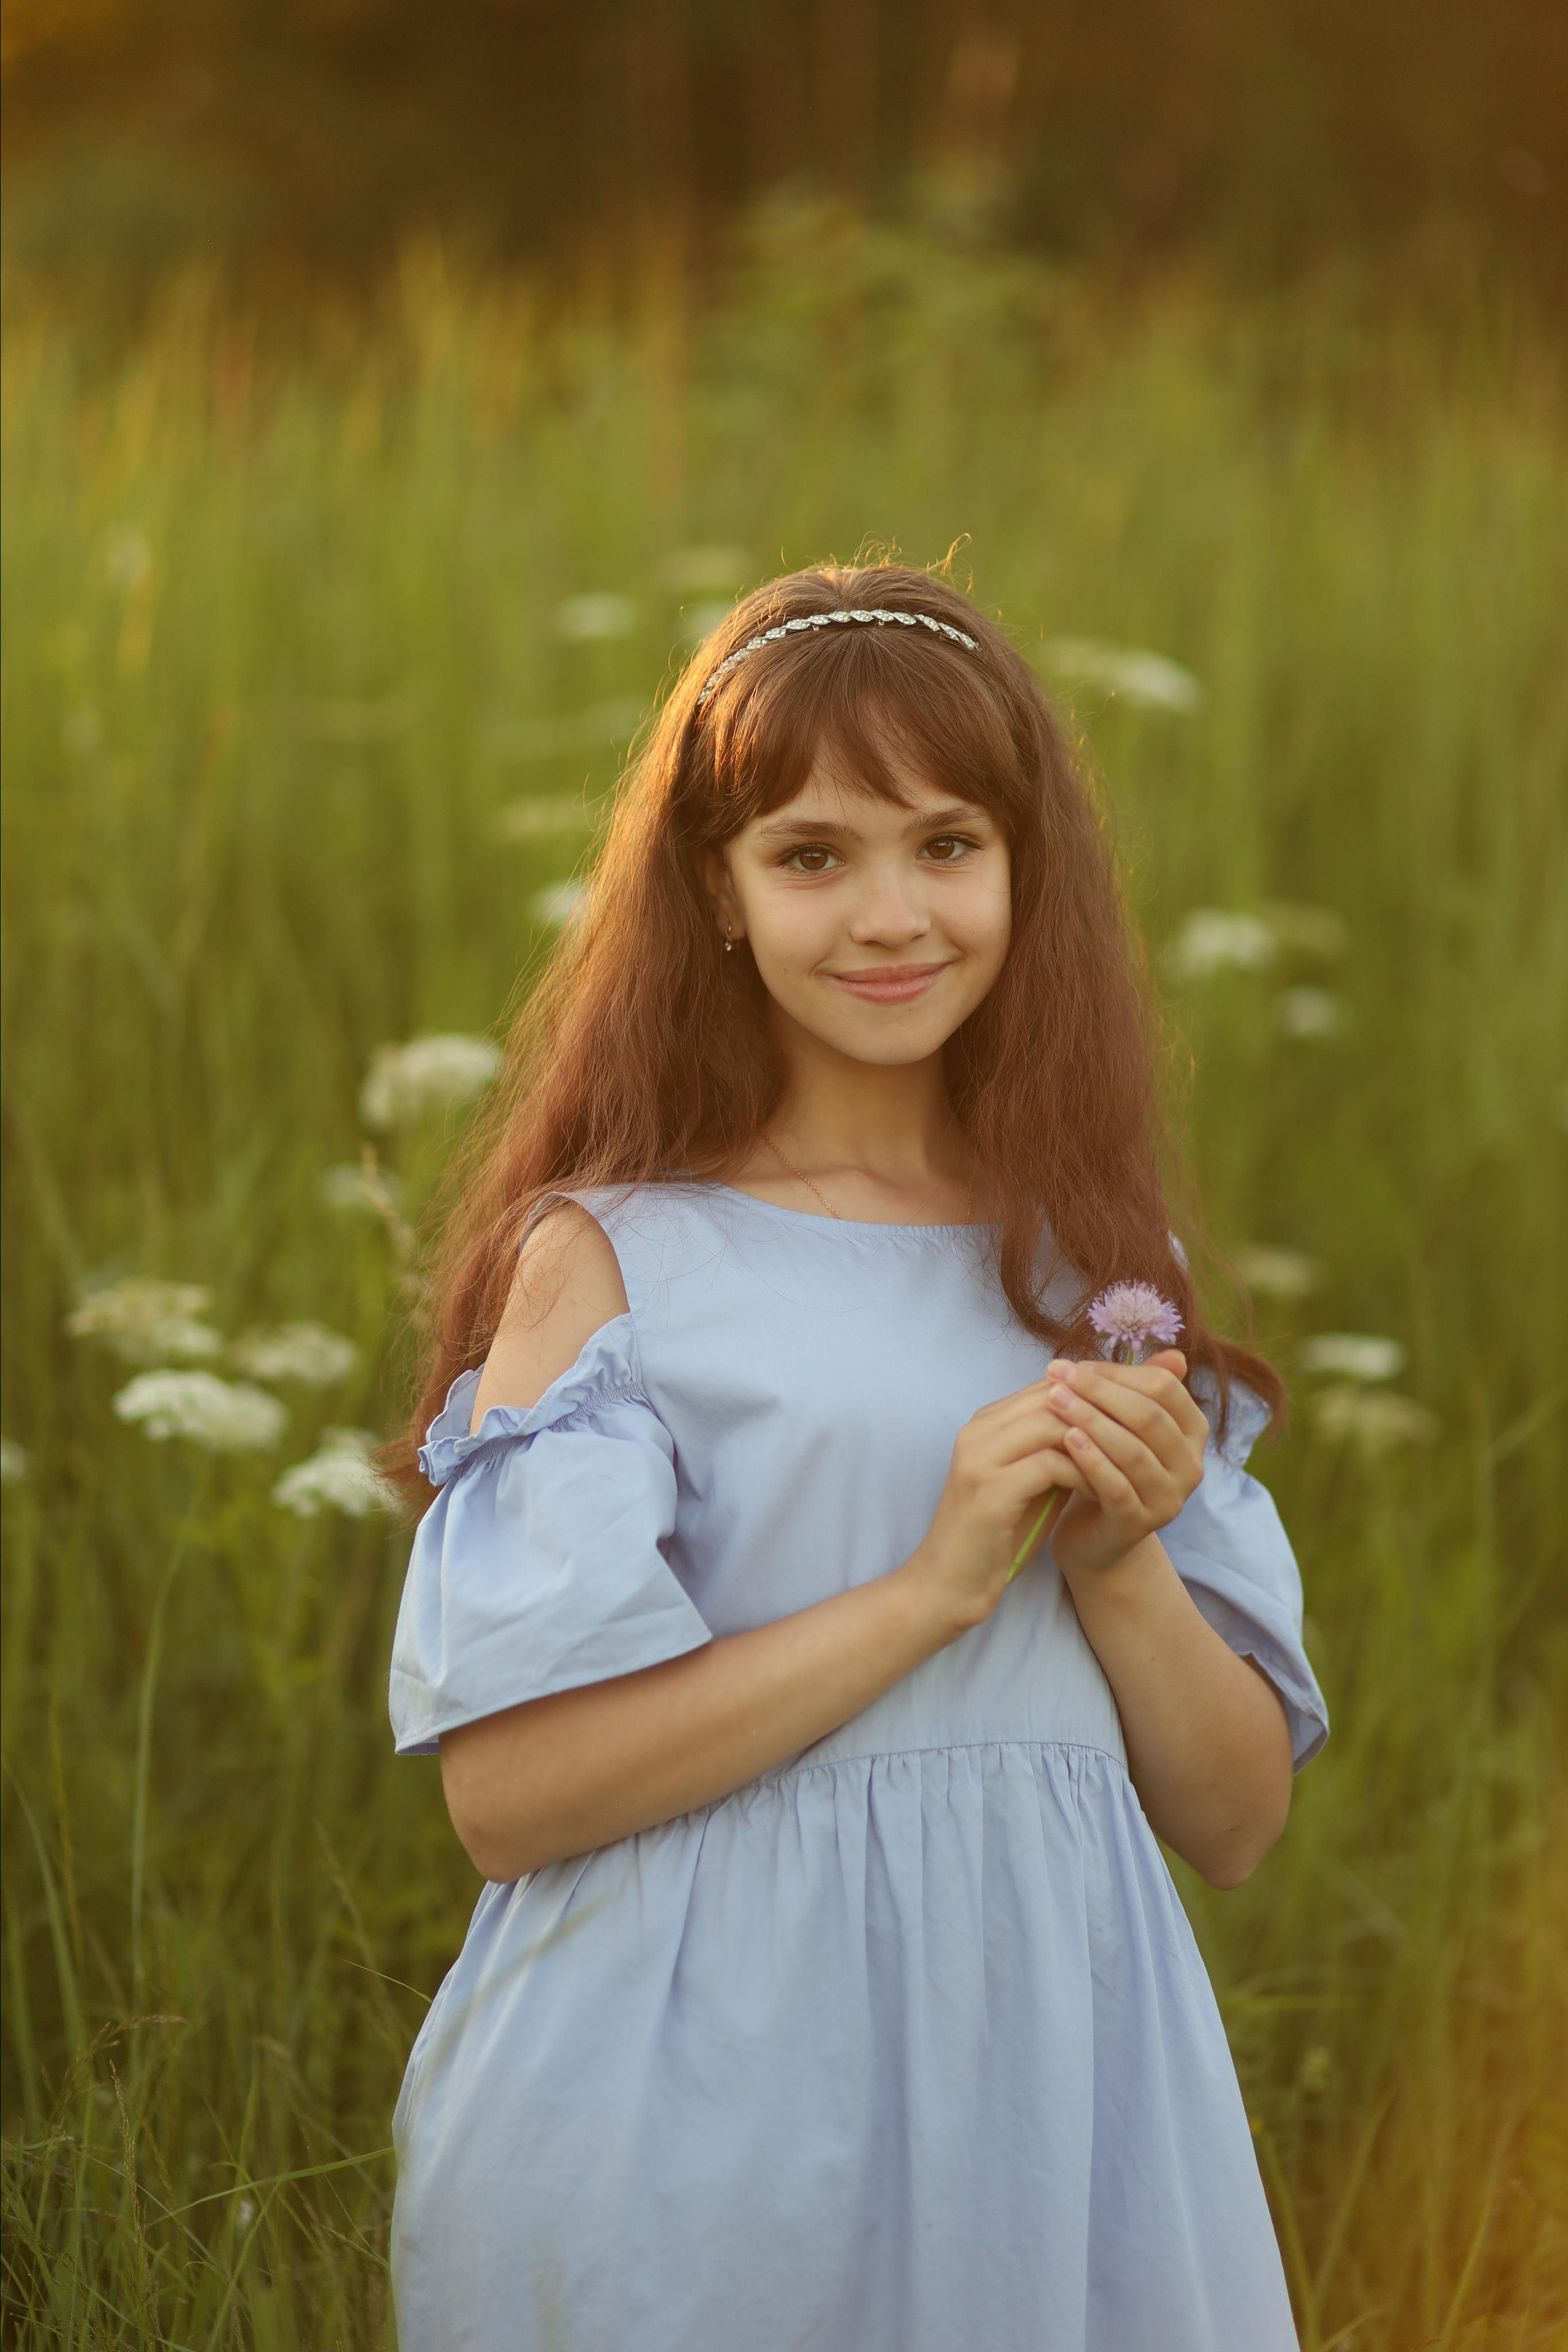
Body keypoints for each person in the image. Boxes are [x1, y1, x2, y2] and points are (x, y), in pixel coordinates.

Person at [386, 564, 1328, 2350]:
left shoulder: (1105, 1278)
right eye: (813, 854)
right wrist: (931, 1591)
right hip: (692, 2103)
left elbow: (1233, 1823)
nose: (890, 914)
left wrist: (1118, 1563)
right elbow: (507, 1800)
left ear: (1021, 872)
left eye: (946, 844)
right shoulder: (619, 1256)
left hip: (1056, 2091)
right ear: (718, 897)